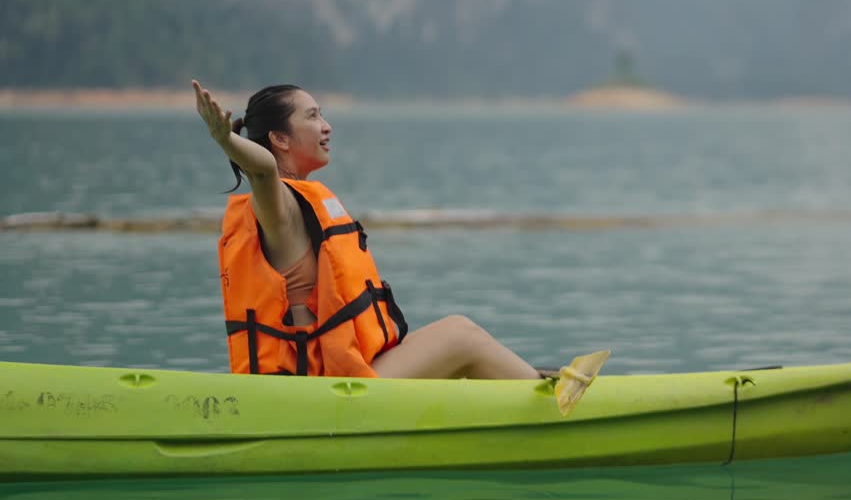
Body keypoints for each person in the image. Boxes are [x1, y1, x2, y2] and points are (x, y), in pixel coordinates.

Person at [192, 80, 606, 412]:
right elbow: (262, 172)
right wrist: (226, 142)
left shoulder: (301, 198)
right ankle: (560, 410)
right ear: (280, 140)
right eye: (313, 116)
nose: (327, 126)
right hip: (320, 392)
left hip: (343, 373)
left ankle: (530, 394)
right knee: (460, 335)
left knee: (457, 350)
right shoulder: (277, 206)